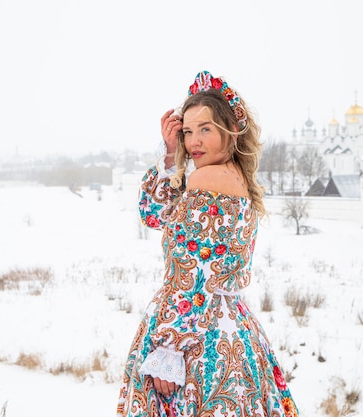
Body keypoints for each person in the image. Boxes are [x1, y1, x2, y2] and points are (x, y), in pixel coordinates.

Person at [117, 71, 299, 417]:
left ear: (230, 132)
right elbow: (155, 214)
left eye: (205, 129)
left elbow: (191, 272)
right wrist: (170, 155)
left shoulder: (206, 178)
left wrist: (169, 348)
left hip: (196, 337)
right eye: (187, 131)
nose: (194, 141)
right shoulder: (233, 176)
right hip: (229, 326)